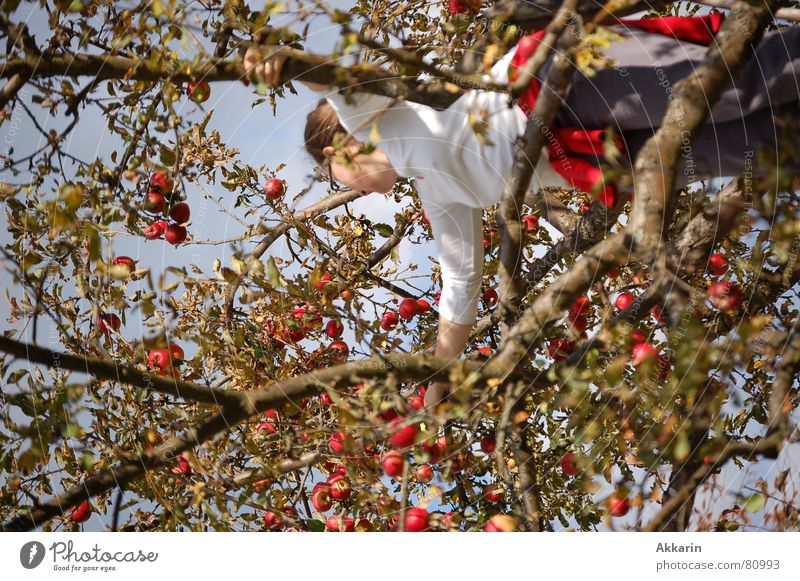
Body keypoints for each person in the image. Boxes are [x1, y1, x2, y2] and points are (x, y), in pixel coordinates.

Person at [243, 14, 800, 407]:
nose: (356, 192)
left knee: (738, 83)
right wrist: (438, 377)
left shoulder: (375, 115)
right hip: (600, 152)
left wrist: (282, 61)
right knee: (753, 147)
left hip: (565, 86)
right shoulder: (439, 192)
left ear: (338, 145)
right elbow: (459, 287)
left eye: (335, 176)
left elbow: (341, 81)